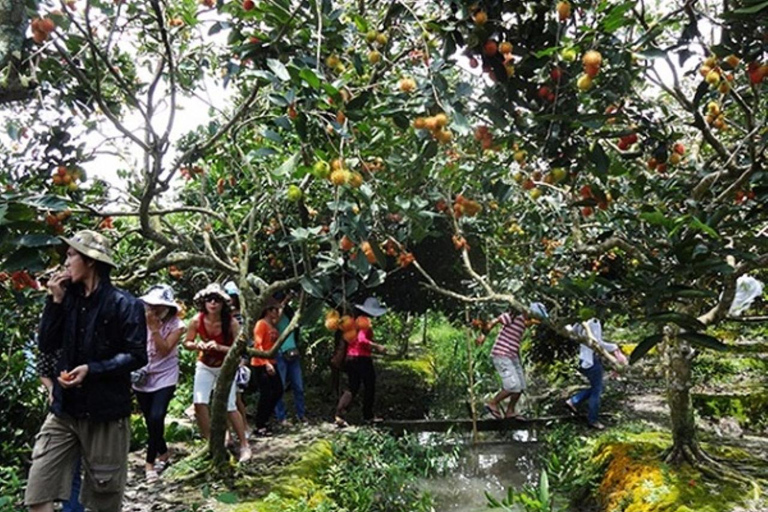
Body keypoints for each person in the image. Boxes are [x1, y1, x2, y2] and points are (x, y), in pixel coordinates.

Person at [25, 230, 147, 512]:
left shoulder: (124, 304)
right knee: (38, 492)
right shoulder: (66, 299)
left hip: (105, 414)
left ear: (90, 261)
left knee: (104, 501)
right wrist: (54, 302)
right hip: (64, 411)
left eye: (71, 255)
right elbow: (46, 344)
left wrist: (91, 370)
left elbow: (137, 355)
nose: (65, 263)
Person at [182, 283, 251, 461]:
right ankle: (211, 443)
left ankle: (244, 444)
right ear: (203, 303)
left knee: (230, 406)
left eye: (217, 300)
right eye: (209, 300)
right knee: (199, 402)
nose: (212, 303)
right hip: (205, 364)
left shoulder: (232, 323)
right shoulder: (197, 320)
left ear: (223, 304)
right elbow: (187, 342)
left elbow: (240, 348)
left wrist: (219, 347)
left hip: (225, 367)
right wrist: (198, 345)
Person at [132, 284, 185, 482]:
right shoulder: (139, 321)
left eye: (157, 306)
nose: (153, 309)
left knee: (157, 416)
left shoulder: (176, 325)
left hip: (165, 375)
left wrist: (155, 330)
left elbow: (164, 349)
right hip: (143, 375)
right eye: (150, 305)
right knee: (150, 421)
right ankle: (163, 453)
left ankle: (149, 464)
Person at [475, 302, 547, 420]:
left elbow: (523, 330)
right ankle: (492, 403)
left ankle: (510, 411)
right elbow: (494, 321)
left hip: (512, 356)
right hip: (501, 354)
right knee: (513, 386)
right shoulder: (513, 316)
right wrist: (483, 336)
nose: (535, 321)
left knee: (521, 385)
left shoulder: (524, 322)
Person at [36, 349, 84, 512]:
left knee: (97, 474)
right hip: (62, 411)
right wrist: (51, 390)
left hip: (95, 412)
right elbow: (43, 371)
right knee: (70, 471)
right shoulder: (51, 339)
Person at [564, 318, 628, 430]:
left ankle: (573, 401)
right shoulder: (594, 321)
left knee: (596, 388)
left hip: (581, 360)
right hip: (591, 360)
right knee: (597, 391)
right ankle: (592, 420)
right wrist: (614, 348)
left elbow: (572, 332)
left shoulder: (580, 321)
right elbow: (597, 343)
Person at [334, 298, 388, 427]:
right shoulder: (364, 322)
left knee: (352, 387)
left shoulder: (354, 321)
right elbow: (362, 340)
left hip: (351, 358)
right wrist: (377, 346)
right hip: (361, 359)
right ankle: (368, 415)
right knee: (370, 386)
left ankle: (339, 414)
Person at [250, 297, 284, 436]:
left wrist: (286, 300)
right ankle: (260, 424)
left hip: (272, 362)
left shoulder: (272, 324)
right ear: (268, 311)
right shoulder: (261, 324)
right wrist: (266, 363)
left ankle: (265, 419)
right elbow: (258, 345)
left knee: (278, 391)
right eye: (274, 310)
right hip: (260, 363)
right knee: (266, 394)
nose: (277, 312)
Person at [273, 291, 307, 425]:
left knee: (298, 386)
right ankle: (281, 417)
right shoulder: (274, 315)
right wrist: (284, 302)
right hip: (280, 353)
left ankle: (301, 414)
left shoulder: (289, 314)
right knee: (279, 387)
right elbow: (275, 321)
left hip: (292, 352)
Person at [224, 281, 251, 434]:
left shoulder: (241, 317)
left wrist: (243, 361)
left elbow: (246, 341)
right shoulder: (222, 317)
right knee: (224, 399)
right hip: (222, 360)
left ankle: (244, 426)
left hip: (237, 360)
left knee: (237, 398)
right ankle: (228, 432)